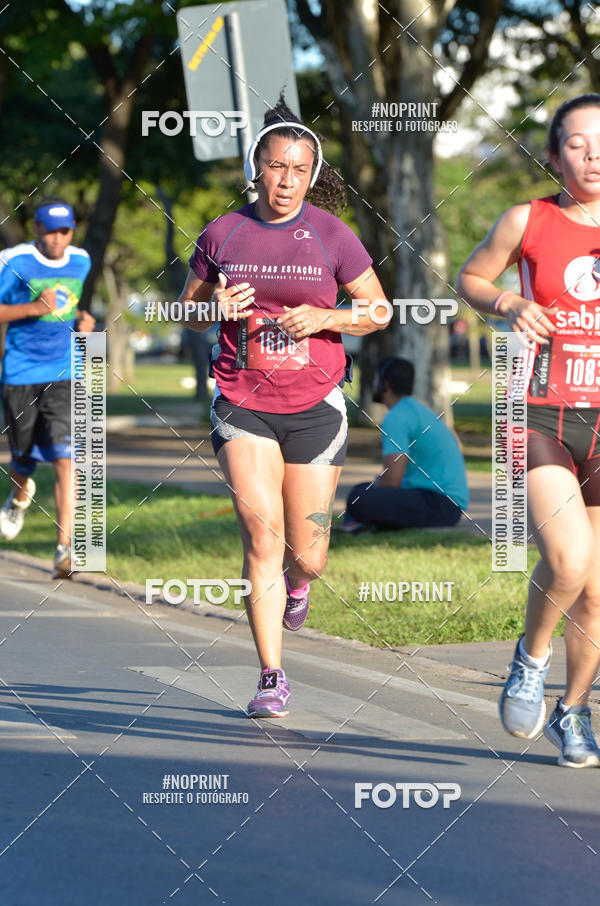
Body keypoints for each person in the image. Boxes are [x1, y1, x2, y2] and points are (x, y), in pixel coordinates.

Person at [176, 94, 390, 717]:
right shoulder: (223, 232)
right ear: (257, 167)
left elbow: (378, 310)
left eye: (300, 170)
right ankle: (272, 674)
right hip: (241, 399)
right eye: (277, 167)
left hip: (316, 405)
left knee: (309, 554)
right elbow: (185, 312)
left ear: (312, 174)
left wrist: (327, 315)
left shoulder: (332, 235)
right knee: (261, 537)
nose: (288, 180)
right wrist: (211, 309)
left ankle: (300, 586)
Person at [456, 94, 600, 767]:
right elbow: (472, 277)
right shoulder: (529, 219)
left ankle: (573, 711)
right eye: (577, 142)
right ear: (554, 155)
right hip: (543, 409)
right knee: (567, 558)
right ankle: (529, 659)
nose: (593, 154)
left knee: (597, 590)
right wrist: (511, 301)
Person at [0, 196, 94, 578]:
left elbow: (74, 309)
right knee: (22, 456)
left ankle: (64, 548)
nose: (57, 238)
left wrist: (84, 322)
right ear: (36, 228)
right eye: (50, 230)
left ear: (72, 231)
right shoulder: (13, 261)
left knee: (65, 456)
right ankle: (19, 493)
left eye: (65, 231)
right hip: (19, 372)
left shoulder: (82, 261)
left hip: (63, 371)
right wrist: (32, 309)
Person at [342, 357, 468, 532]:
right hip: (447, 505)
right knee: (366, 491)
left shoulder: (396, 417)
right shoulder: (416, 409)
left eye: (376, 379)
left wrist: (378, 483)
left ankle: (362, 523)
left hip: (438, 503)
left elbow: (392, 480)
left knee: (359, 496)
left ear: (385, 384)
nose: (374, 383)